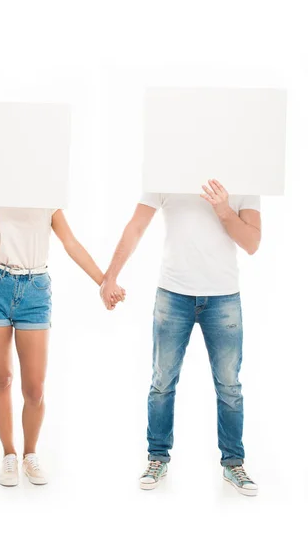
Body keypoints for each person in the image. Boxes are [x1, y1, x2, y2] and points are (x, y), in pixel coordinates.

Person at [100, 179, 261, 496]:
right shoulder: (166, 168)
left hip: (223, 297)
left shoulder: (246, 173)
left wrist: (223, 209)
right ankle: (157, 457)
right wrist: (110, 276)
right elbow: (136, 226)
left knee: (229, 385)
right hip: (173, 295)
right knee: (162, 382)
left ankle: (233, 463)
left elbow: (253, 242)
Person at [0, 188, 124, 487]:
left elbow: (71, 243)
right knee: (2, 378)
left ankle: (30, 454)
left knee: (35, 390)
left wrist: (105, 282)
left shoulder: (44, 190)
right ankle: (9, 454)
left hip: (35, 291)